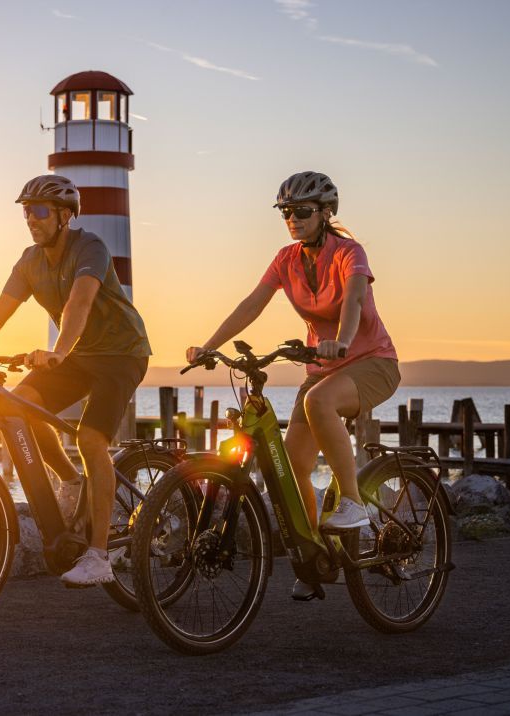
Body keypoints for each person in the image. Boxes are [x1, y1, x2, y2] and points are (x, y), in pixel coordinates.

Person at [0, 174, 152, 587]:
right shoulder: (30, 261)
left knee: (91, 439)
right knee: (16, 406)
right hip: (78, 354)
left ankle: (99, 555)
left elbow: (79, 303)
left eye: (41, 211)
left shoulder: (91, 247)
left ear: (65, 216)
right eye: (27, 211)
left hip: (122, 353)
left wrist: (59, 350)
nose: (31, 218)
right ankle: (70, 481)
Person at [185, 171, 399, 601]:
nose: (293, 219)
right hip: (322, 370)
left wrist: (341, 339)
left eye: (302, 211)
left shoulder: (349, 253)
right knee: (293, 468)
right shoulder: (285, 259)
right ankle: (315, 555)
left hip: (372, 363)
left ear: (325, 213)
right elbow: (252, 303)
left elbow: (354, 298)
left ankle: (353, 502)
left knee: (319, 401)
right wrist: (209, 346)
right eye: (286, 212)